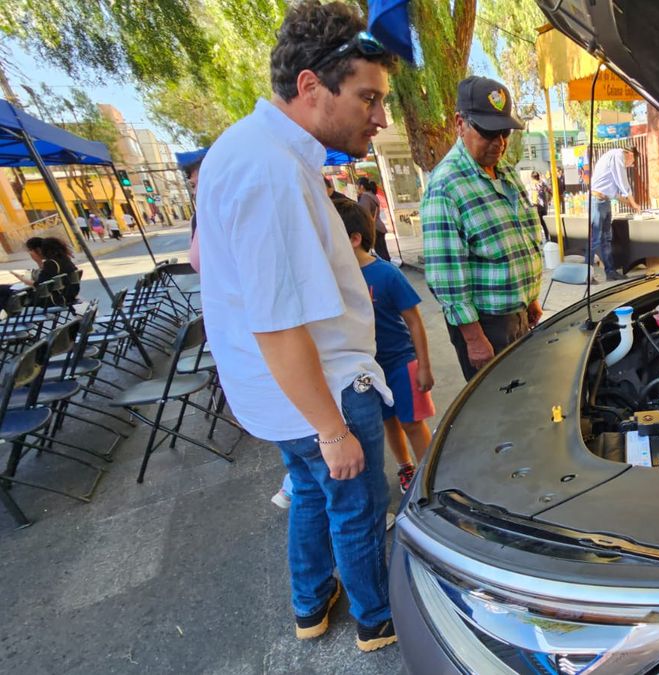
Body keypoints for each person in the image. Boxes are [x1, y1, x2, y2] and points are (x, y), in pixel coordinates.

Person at [195, 0, 399, 652]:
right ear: (311, 85)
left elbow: (223, 274)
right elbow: (279, 327)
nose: (380, 116)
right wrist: (334, 429)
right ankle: (376, 618)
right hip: (324, 390)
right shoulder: (272, 171)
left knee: (312, 498)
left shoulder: (246, 148)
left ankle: (311, 602)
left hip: (282, 396)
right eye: (368, 98)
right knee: (356, 509)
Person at [422, 76, 544, 381]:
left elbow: (522, 237)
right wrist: (474, 338)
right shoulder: (446, 185)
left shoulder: (505, 173)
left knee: (527, 398)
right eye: (488, 132)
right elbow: (447, 274)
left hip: (517, 316)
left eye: (504, 132)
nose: (499, 142)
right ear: (460, 123)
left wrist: (529, 299)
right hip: (486, 326)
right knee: (500, 412)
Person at [336, 196, 434, 488]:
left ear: (354, 239)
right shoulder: (336, 277)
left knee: (412, 423)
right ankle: (406, 468)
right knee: (389, 422)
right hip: (367, 370)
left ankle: (430, 477)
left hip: (401, 364)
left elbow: (414, 321)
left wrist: (424, 366)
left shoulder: (386, 273)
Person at [589, 147, 642, 280]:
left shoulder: (614, 158)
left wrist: (628, 203)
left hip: (605, 201)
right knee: (595, 239)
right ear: (629, 154)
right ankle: (584, 275)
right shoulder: (617, 156)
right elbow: (623, 183)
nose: (630, 165)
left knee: (606, 239)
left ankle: (610, 272)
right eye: (633, 162)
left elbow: (614, 192)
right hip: (597, 201)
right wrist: (633, 202)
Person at [7, 236, 81, 307]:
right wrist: (39, 262)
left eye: (30, 250)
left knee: (6, 292)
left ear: (39, 250)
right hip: (68, 295)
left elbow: (40, 285)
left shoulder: (50, 263)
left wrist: (22, 279)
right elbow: (46, 277)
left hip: (55, 298)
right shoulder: (64, 258)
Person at [356, 176, 390, 262]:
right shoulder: (372, 195)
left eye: (357, 186)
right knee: (383, 252)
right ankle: (390, 269)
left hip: (374, 227)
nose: (356, 189)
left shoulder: (365, 197)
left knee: (381, 253)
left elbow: (364, 213)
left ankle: (387, 271)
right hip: (379, 226)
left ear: (362, 186)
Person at [531, 171, 551, 241]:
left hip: (536, 206)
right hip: (544, 206)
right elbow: (550, 191)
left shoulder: (531, 185)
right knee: (544, 223)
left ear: (532, 178)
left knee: (537, 224)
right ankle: (547, 238)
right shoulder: (543, 184)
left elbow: (529, 197)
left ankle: (539, 240)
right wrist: (548, 200)